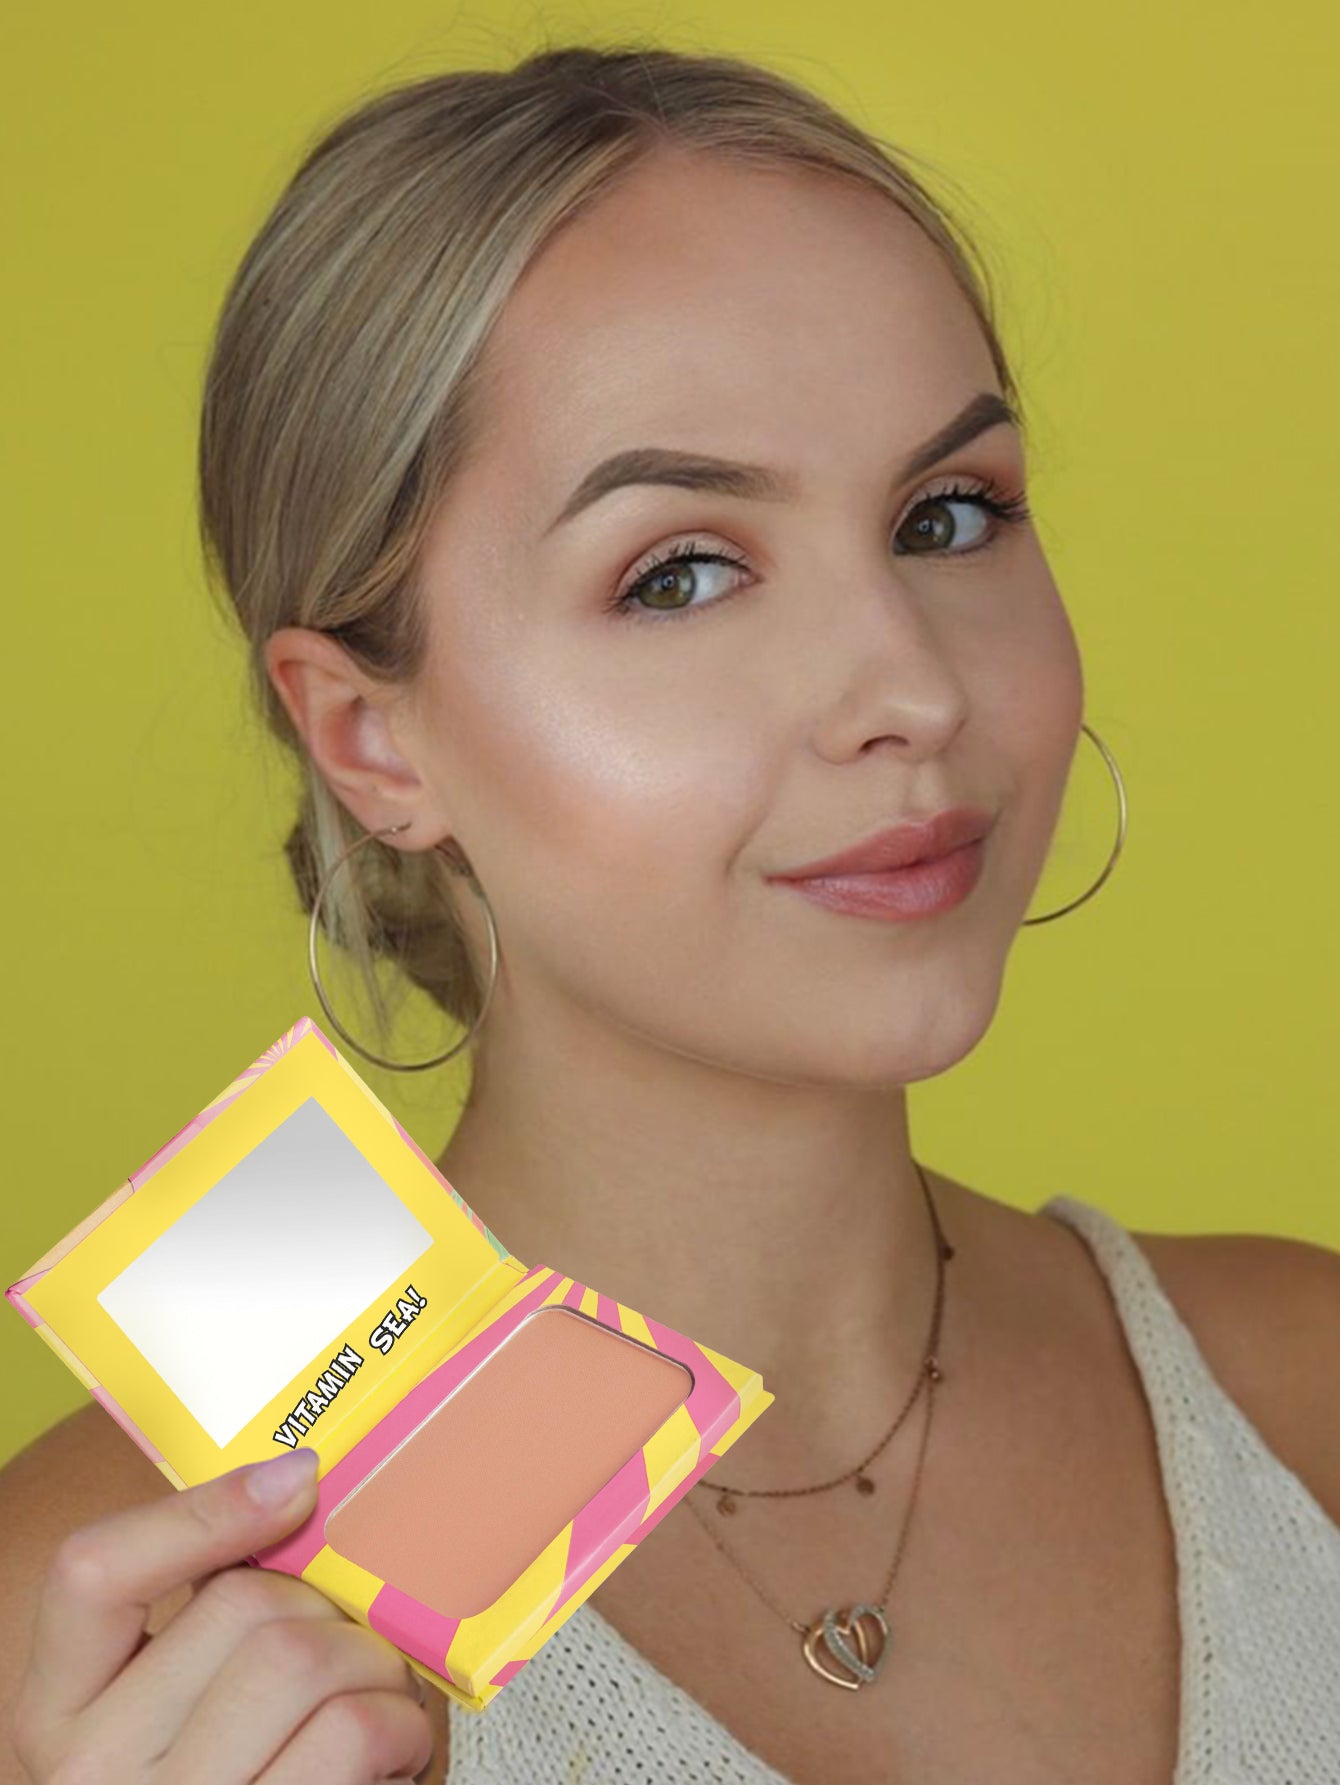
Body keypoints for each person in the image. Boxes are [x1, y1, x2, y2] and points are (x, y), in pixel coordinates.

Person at [3, 40, 1338, 1785]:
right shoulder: (105, 1629)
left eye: (949, 515)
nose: (912, 687)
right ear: (372, 739)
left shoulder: (1303, 1394)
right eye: (682, 572)